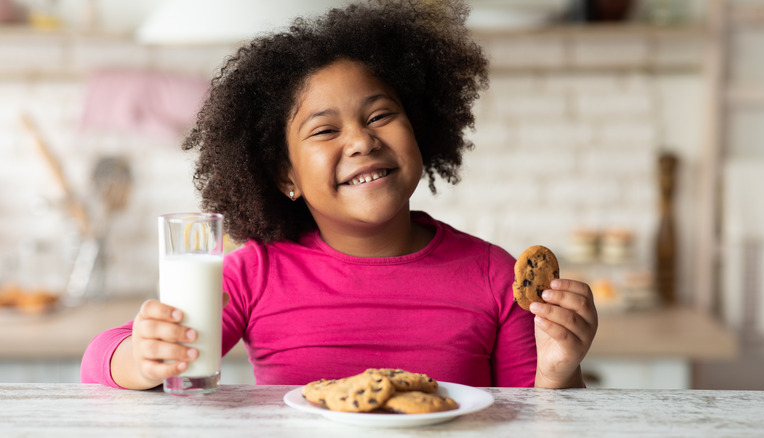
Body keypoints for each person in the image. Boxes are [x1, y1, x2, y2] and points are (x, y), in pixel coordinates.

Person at [81, 0, 597, 390]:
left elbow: (537, 418)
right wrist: (139, 354)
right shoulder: (255, 274)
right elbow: (96, 362)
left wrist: (559, 372)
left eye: (380, 116)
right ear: (287, 176)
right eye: (324, 131)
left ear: (419, 129)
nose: (361, 140)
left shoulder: (493, 275)